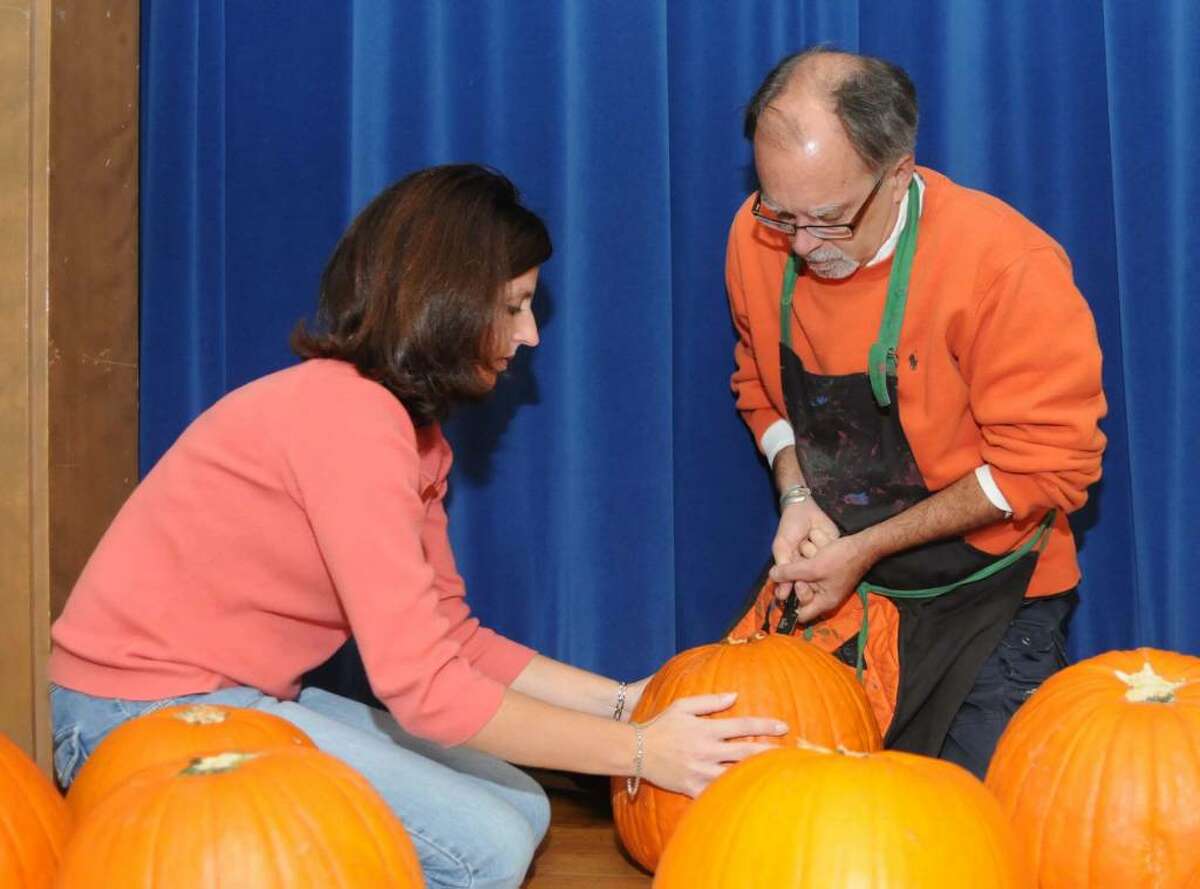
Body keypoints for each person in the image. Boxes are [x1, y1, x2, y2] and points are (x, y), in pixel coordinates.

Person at [49, 165, 787, 889]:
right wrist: (639, 750)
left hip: (237, 691)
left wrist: (626, 699)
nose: (530, 334)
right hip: (137, 715)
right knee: (486, 851)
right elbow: (426, 690)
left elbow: (452, 638)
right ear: (449, 301)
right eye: (515, 306)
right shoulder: (351, 422)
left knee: (522, 802)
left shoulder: (412, 432)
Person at [724, 48, 1106, 778]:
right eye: (783, 212)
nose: (801, 245)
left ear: (897, 173)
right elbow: (759, 389)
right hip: (844, 582)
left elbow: (1047, 469)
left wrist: (867, 546)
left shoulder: (1004, 267)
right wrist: (797, 492)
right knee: (760, 793)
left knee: (977, 829)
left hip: (989, 595)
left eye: (829, 219)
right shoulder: (756, 234)